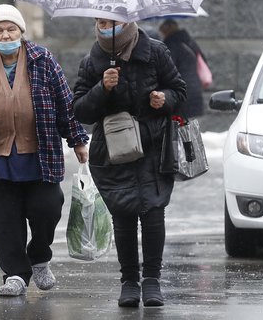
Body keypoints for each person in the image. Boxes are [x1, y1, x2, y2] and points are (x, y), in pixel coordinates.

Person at [0, 4, 89, 298]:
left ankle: (39, 257)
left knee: (47, 208)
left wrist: (77, 140)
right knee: (4, 219)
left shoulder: (42, 59)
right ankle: (15, 274)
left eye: (11, 29)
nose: (5, 34)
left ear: (21, 32)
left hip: (40, 154)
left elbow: (64, 103)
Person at [72, 19, 186, 308]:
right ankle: (129, 281)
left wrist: (165, 98)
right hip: (112, 150)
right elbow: (80, 109)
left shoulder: (156, 52)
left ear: (128, 20)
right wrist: (103, 88)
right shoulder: (92, 61)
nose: (107, 27)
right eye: (100, 22)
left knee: (152, 212)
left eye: (113, 22)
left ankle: (152, 281)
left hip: (152, 146)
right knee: (122, 215)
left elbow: (179, 90)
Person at [159, 19, 206, 118]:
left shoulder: (171, 44)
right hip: (195, 89)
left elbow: (168, 67)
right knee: (192, 126)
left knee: (181, 127)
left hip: (181, 91)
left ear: (169, 28)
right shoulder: (189, 40)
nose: (163, 33)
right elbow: (202, 59)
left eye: (163, 30)